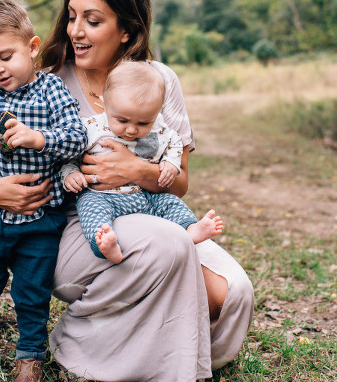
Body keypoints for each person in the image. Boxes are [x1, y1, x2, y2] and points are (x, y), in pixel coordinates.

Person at [0, 0, 254, 381]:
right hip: (74, 225)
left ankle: (161, 347)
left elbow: (182, 181)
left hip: (146, 207)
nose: (76, 30)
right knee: (171, 245)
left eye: (93, 21)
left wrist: (136, 169)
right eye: (73, 16)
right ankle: (86, 342)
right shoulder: (47, 81)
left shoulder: (159, 79)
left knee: (232, 293)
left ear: (127, 31)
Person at [0, 0, 87, 382]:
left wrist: (38, 138)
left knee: (31, 290)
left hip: (41, 218)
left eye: (5, 57)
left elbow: (77, 139)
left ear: (32, 47)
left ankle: (29, 355)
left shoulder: (52, 91)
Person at [61, 60, 223, 263]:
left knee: (170, 202)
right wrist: (70, 173)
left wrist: (171, 163)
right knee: (90, 210)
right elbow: (69, 156)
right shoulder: (91, 128)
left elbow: (174, 141)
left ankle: (190, 228)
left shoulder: (158, 128)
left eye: (143, 123)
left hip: (144, 195)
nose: (131, 130)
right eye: (122, 120)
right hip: (101, 196)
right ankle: (105, 244)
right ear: (104, 103)